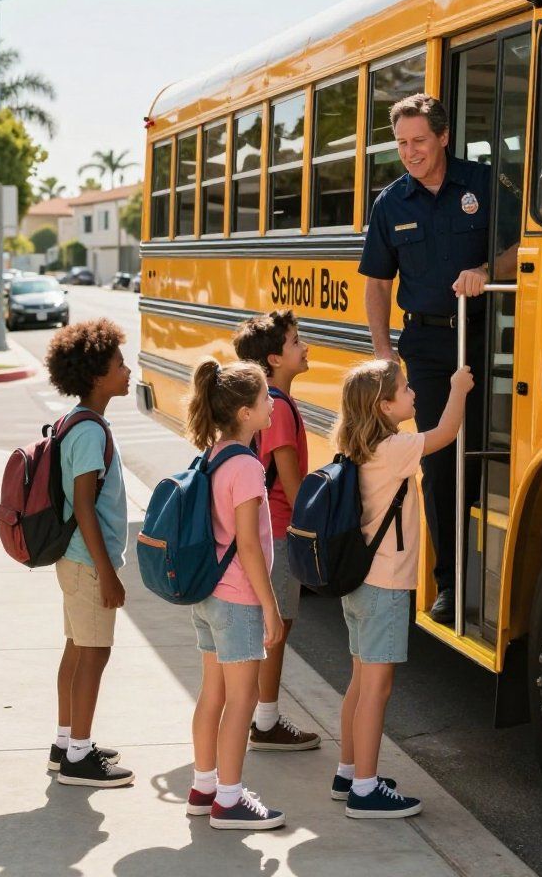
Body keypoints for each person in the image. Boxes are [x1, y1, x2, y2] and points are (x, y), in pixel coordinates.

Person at [359, 93, 516, 624]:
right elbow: (378, 283)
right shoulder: (391, 203)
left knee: (488, 460)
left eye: (419, 141)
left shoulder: (482, 184)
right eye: (402, 143)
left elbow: (525, 244)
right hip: (424, 348)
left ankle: (498, 571)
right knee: (438, 462)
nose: (410, 152)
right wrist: (385, 357)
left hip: (486, 340)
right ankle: (450, 583)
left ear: (444, 137)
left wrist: (487, 268)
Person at [335, 357, 473, 818]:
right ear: (384, 405)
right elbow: (447, 433)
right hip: (385, 584)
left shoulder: (360, 446)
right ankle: (366, 790)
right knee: (378, 688)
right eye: (406, 389)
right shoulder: (393, 447)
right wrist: (457, 387)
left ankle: (349, 771)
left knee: (360, 681)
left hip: (360, 584)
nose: (414, 393)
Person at [184, 358, 287, 831]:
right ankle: (229, 799)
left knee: (213, 695)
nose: (272, 404)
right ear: (245, 412)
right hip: (238, 598)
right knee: (242, 700)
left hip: (209, 595)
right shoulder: (246, 466)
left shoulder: (213, 455)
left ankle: (204, 787)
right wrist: (270, 606)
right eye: (266, 397)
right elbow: (248, 544)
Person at [43, 319, 134, 788]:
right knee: (94, 653)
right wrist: (108, 571)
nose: (128, 370)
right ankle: (79, 755)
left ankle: (65, 743)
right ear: (97, 375)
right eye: (120, 364)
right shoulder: (90, 432)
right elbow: (83, 506)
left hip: (75, 560)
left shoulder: (79, 423)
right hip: (86, 561)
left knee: (77, 649)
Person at [232, 310, 321, 751]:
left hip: (272, 527)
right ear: (274, 357)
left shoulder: (272, 401)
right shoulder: (280, 407)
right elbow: (292, 484)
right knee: (277, 628)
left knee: (275, 626)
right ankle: (265, 722)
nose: (304, 347)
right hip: (282, 529)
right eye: (295, 342)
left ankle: (262, 717)